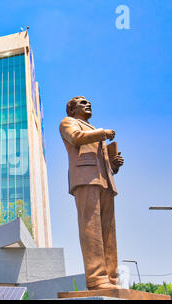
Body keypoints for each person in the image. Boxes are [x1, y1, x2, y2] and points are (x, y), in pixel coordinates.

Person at [59, 96, 124, 290]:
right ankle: (97, 278)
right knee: (91, 229)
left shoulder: (94, 129)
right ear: (71, 110)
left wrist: (113, 165)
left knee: (108, 231)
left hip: (105, 181)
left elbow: (101, 160)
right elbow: (76, 138)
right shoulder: (68, 122)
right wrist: (102, 133)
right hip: (85, 179)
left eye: (88, 102)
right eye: (82, 102)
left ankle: (112, 278)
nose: (87, 104)